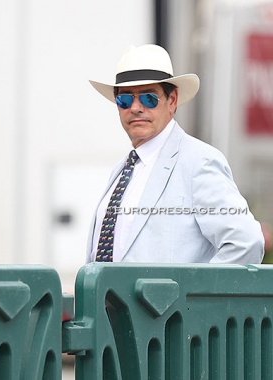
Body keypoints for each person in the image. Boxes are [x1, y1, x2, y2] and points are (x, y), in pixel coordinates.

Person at [86, 44, 264, 264]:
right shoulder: (122, 170)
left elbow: (246, 244)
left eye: (148, 98)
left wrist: (191, 297)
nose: (135, 107)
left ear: (172, 101)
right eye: (125, 99)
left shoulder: (199, 162)